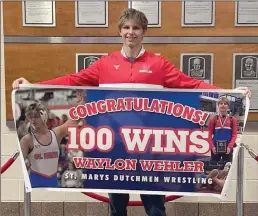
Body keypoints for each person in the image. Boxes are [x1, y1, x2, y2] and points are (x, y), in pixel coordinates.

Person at [12, 8, 251, 216]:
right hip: (115, 148)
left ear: (143, 32)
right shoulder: (105, 64)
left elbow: (192, 84)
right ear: (120, 31)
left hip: (149, 150)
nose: (131, 32)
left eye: (136, 27)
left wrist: (230, 93)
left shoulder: (159, 64)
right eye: (126, 27)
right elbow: (72, 80)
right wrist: (33, 85)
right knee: (117, 206)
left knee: (155, 207)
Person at [19, 102, 80, 188]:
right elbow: (17, 167)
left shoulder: (56, 134)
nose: (33, 120)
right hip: (35, 186)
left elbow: (76, 118)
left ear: (45, 116)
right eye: (30, 117)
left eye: (36, 116)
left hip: (54, 185)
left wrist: (85, 101)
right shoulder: (27, 140)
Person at [208, 96, 238, 163]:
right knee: (214, 169)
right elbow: (209, 135)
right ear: (218, 106)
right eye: (221, 103)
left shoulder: (232, 119)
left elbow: (234, 135)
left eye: (225, 103)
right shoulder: (213, 119)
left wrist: (230, 147)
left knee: (227, 170)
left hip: (228, 149)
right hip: (215, 149)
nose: (223, 105)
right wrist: (212, 147)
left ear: (228, 106)